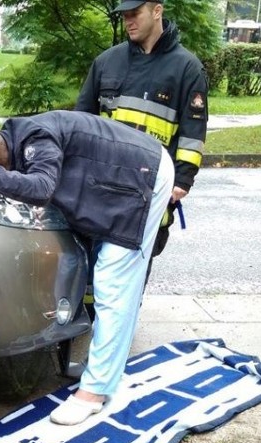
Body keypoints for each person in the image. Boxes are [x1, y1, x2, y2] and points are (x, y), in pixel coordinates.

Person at [0, 110, 175, 426]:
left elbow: (40, 187)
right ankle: (106, 369)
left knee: (114, 281)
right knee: (108, 277)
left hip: (141, 175)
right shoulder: (22, 137)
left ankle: (95, 392)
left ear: (5, 162)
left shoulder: (36, 140)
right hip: (125, 172)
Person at [75, 0, 208, 259]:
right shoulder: (106, 62)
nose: (128, 22)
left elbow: (193, 134)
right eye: (125, 16)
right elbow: (80, 122)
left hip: (150, 192)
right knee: (88, 277)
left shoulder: (187, 69)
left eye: (135, 14)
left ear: (157, 11)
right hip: (102, 189)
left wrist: (182, 180)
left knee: (128, 284)